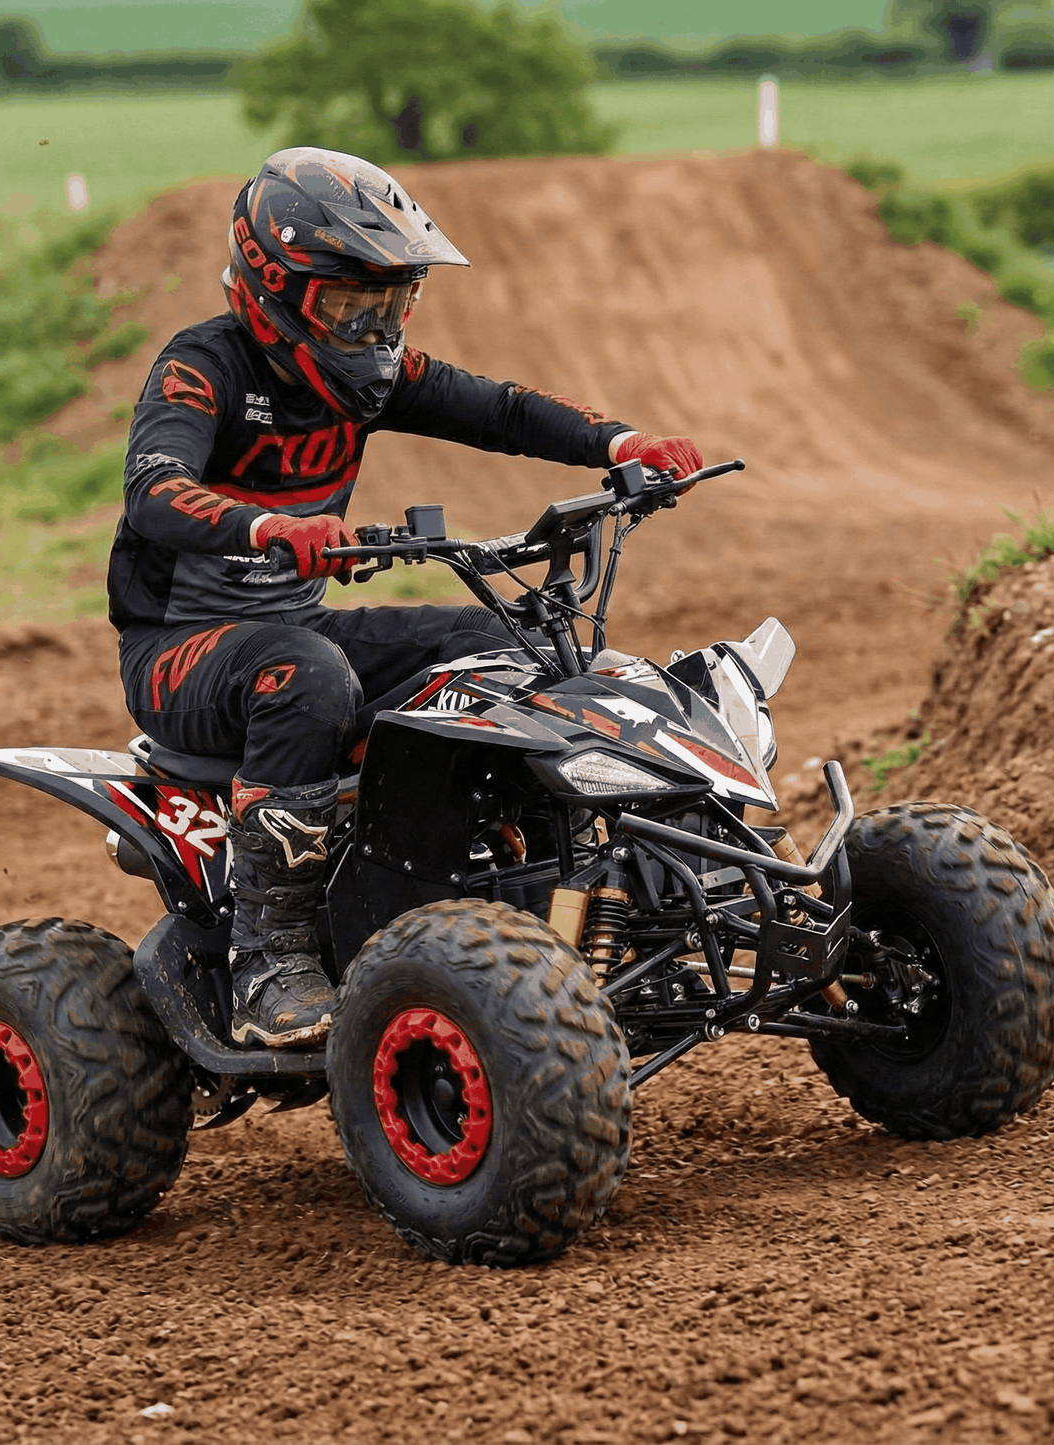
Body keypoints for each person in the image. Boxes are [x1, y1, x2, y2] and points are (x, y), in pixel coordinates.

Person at [108, 147, 703, 1049]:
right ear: (273, 286)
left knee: (495, 641)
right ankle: (268, 961)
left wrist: (619, 443)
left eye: (392, 305)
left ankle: (530, 895)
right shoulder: (202, 367)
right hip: (179, 652)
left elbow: (498, 408)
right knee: (303, 674)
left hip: (291, 629)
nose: (376, 331)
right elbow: (154, 486)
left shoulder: (370, 375)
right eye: (352, 306)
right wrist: (265, 527)